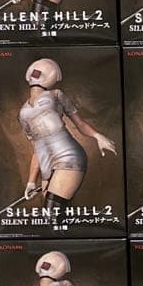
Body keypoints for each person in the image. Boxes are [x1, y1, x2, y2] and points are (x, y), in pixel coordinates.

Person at [19, 57, 116, 211]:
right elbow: (36, 149)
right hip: (46, 165)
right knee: (56, 215)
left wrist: (98, 136)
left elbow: (80, 124)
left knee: (52, 213)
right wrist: (31, 181)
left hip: (68, 157)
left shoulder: (56, 95)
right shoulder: (23, 113)